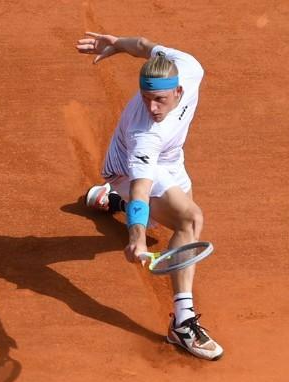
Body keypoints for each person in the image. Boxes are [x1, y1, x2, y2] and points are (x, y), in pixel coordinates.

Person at [75, 32, 223, 360]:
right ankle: (182, 324)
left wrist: (115, 44)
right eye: (145, 99)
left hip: (170, 158)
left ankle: (112, 200)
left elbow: (142, 46)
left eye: (160, 100)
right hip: (130, 171)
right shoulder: (145, 134)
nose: (152, 108)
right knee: (189, 219)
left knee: (174, 220)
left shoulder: (189, 68)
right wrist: (136, 237)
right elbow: (142, 188)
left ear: (179, 90)